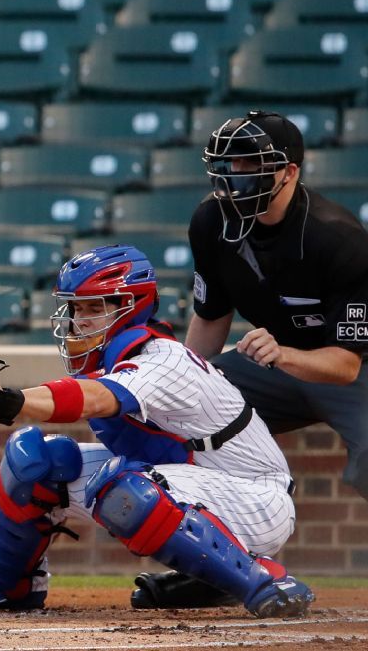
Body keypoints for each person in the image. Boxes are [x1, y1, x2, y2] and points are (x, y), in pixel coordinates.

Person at [0, 244, 314, 619]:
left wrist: (8, 401)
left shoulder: (165, 357)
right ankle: (9, 588)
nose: (81, 320)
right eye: (77, 308)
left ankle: (264, 580)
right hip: (193, 483)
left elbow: (98, 399)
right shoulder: (112, 359)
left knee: (125, 487)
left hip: (256, 499)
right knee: (35, 460)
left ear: (131, 305)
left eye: (96, 307)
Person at [125, 110, 368, 609]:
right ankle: (216, 570)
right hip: (275, 363)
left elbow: (346, 366)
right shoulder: (210, 221)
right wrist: (174, 385)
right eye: (230, 165)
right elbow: (211, 318)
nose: (237, 177)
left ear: (289, 172)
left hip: (352, 367)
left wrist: (286, 354)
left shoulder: (338, 237)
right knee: (175, 421)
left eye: (252, 164)